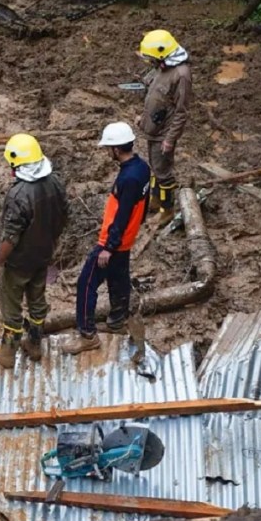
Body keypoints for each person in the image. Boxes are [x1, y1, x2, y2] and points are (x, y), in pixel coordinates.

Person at [62, 122, 151, 355]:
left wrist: (108, 247)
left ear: (117, 149)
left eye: (108, 148)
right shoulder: (142, 168)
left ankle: (87, 335)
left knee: (86, 283)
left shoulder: (128, 178)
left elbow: (121, 216)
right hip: (126, 240)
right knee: (118, 279)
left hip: (112, 242)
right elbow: (142, 206)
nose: (106, 152)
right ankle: (117, 320)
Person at [0, 134, 69, 367]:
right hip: (43, 254)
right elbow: (64, 214)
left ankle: (7, 351)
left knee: (11, 303)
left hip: (20, 260)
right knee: (37, 298)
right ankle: (34, 343)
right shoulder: (55, 183)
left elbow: (11, 236)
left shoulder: (19, 194)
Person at [137, 29, 192, 227]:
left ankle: (167, 210)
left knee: (163, 172)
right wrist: (142, 118)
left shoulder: (181, 74)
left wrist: (170, 139)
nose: (150, 62)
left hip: (163, 134)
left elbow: (181, 112)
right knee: (155, 168)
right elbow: (156, 97)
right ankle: (155, 199)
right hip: (153, 127)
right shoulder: (162, 67)